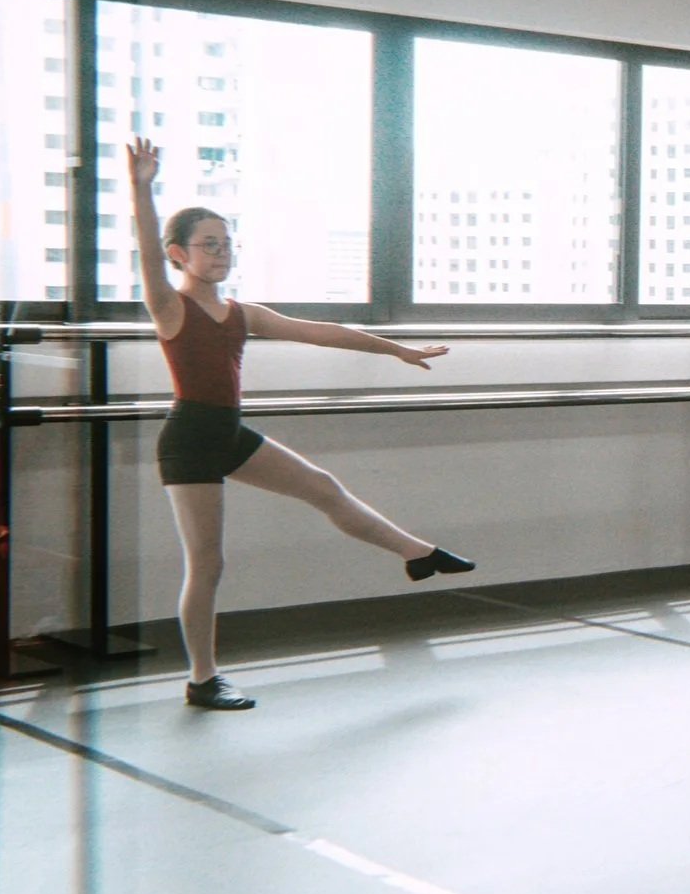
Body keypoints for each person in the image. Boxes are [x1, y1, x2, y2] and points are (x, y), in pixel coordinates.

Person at [126, 138, 473, 711]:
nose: (221, 253)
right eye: (208, 245)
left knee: (323, 488)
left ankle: (418, 553)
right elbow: (144, 253)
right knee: (207, 563)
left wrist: (396, 350)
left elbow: (322, 332)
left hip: (229, 434)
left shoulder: (242, 314)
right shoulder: (170, 308)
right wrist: (141, 189)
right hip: (189, 441)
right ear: (178, 255)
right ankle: (202, 679)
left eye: (226, 244)